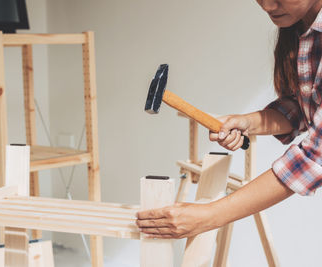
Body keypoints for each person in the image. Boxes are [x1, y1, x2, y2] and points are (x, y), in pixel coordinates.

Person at [136, 0, 322, 239]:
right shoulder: (303, 27)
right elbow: (304, 105)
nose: (266, 5)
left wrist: (208, 216)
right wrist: (248, 121)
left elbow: (316, 156)